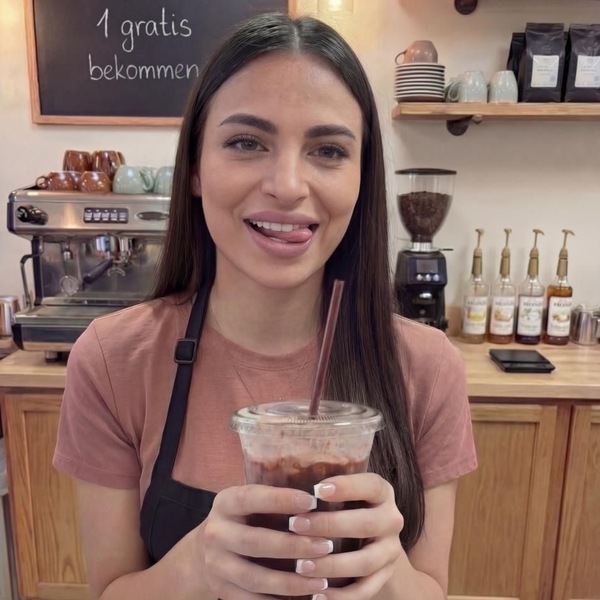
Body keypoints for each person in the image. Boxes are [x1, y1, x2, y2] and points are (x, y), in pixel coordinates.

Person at [53, 11, 477, 600]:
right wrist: (196, 567)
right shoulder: (112, 360)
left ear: (362, 178)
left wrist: (389, 574)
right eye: (247, 142)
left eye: (328, 150)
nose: (288, 185)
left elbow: (432, 590)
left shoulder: (427, 367)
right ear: (194, 168)